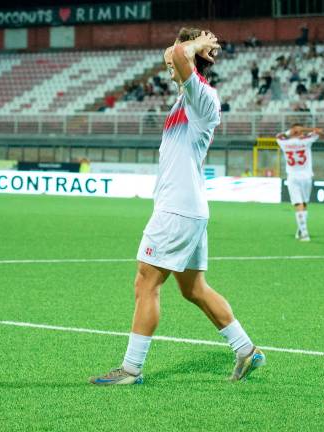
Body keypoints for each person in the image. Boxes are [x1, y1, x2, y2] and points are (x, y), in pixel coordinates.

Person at [89, 28, 264, 386]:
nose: (168, 61)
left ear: (192, 59)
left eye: (175, 56)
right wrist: (186, 46)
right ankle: (246, 350)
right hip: (188, 208)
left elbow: (181, 57)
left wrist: (193, 47)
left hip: (177, 210)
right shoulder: (187, 97)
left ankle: (131, 369)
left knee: (145, 283)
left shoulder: (201, 97)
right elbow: (175, 56)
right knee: (193, 289)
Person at [276, 124, 322, 241]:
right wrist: (307, 129)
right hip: (306, 177)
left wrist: (289, 132)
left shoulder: (285, 143)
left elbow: (278, 136)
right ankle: (302, 230)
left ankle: (305, 233)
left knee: (298, 204)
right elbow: (319, 132)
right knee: (304, 204)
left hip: (293, 177)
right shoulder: (306, 141)